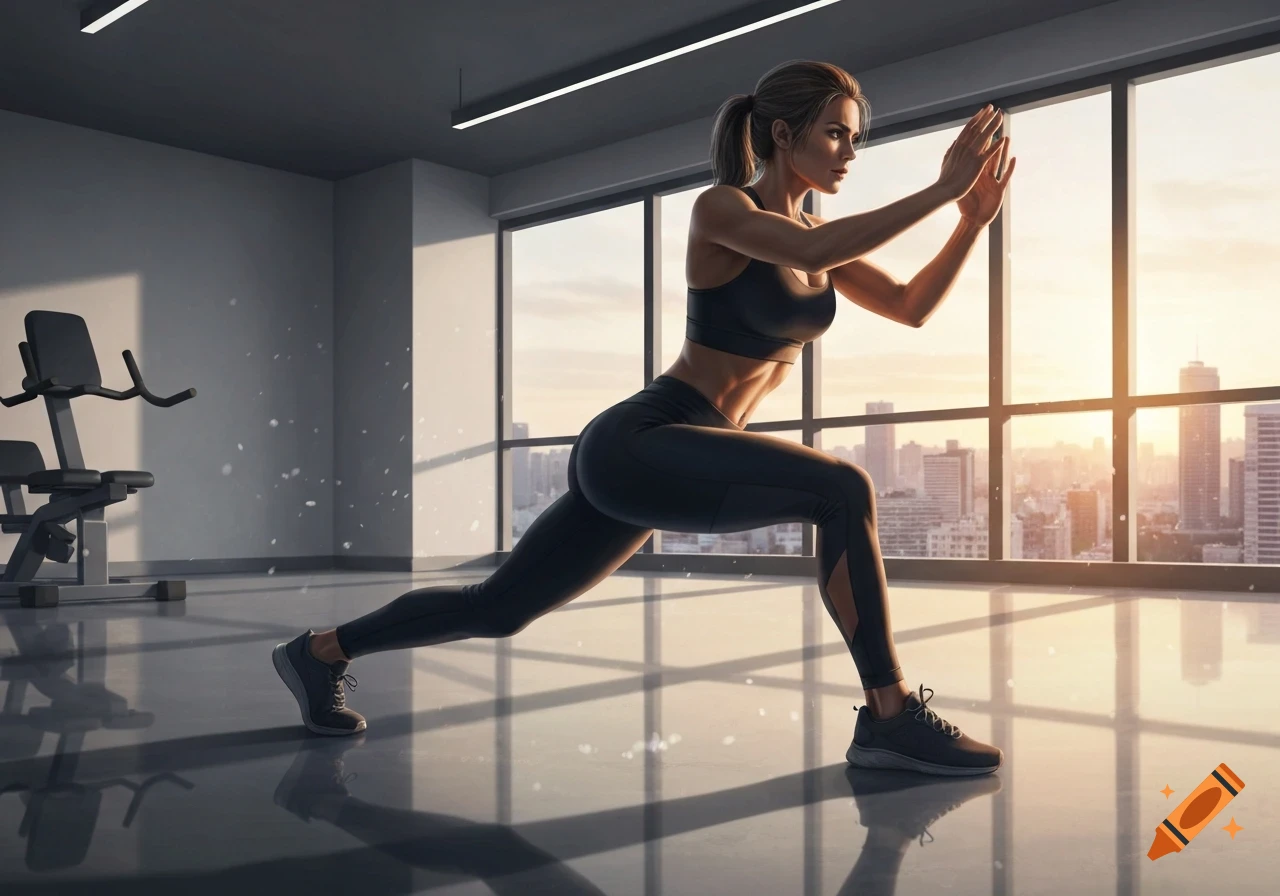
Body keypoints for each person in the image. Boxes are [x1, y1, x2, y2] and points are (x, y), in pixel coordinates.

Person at [273, 59, 1017, 777]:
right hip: (643, 441)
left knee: (499, 608)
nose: (850, 151)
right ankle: (888, 720)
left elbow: (911, 307)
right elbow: (814, 242)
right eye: (835, 133)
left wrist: (969, 220)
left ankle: (320, 652)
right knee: (843, 489)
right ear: (783, 136)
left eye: (856, 137)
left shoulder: (824, 244)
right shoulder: (724, 209)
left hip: (690, 453)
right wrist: (941, 186)